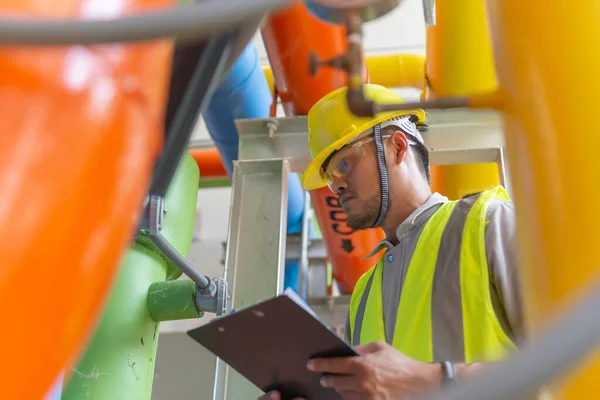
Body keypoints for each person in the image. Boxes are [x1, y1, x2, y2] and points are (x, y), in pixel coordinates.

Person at [258, 84, 523, 400]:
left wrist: (431, 380)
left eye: (343, 164)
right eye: (330, 177)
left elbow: (579, 355)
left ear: (398, 146)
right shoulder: (364, 294)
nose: (336, 187)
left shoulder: (490, 224)